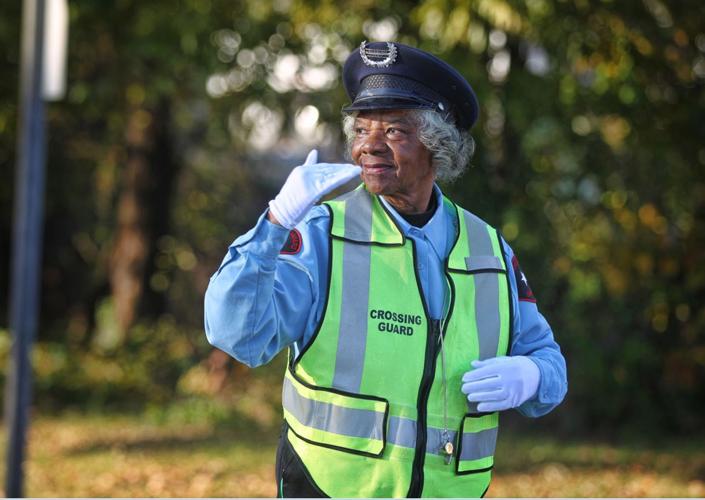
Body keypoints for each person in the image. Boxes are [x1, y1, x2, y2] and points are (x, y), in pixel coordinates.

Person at [204, 41, 567, 498]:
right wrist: (275, 222)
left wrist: (531, 377)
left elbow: (549, 364)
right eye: (360, 129)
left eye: (394, 131)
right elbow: (239, 336)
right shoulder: (319, 233)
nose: (369, 146)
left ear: (438, 145)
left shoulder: (489, 248)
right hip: (327, 488)